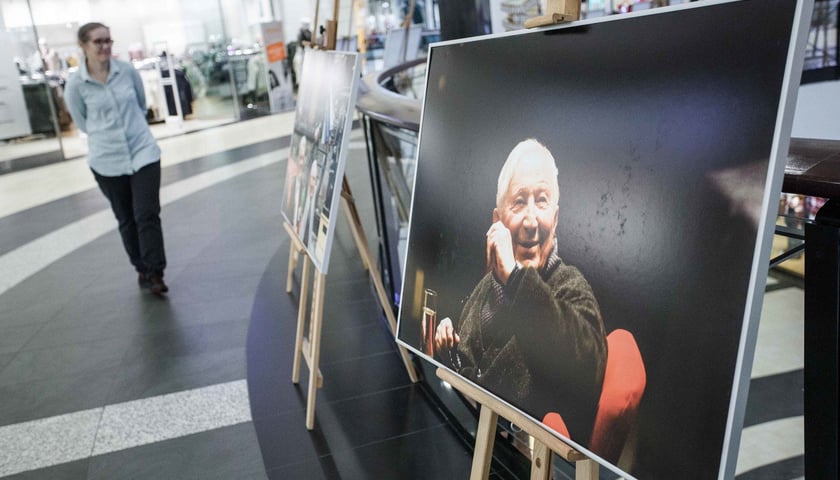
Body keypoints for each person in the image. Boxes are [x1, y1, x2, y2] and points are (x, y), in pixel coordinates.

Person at [434, 138, 607, 444]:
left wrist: (516, 280)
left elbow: (589, 367)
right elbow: (471, 365)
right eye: (518, 202)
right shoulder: (488, 285)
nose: (530, 221)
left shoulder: (569, 283)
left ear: (554, 218)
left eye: (541, 201)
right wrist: (448, 346)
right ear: (497, 222)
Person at [64, 22, 168, 295]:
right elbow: (82, 122)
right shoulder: (76, 85)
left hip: (142, 151)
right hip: (107, 160)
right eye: (98, 41)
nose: (105, 46)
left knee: (147, 213)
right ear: (83, 46)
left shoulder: (127, 71)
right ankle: (141, 267)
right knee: (126, 217)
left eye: (108, 40)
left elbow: (141, 104)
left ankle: (156, 271)